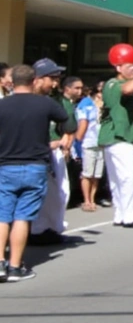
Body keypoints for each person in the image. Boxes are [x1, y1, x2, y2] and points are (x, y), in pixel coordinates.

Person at [0, 64, 74, 281]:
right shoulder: (45, 103)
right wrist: (62, 139)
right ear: (34, 81)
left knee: (2, 216)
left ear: (12, 82)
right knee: (23, 216)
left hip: (5, 165)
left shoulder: (2, 105)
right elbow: (68, 122)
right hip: (35, 164)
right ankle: (15, 266)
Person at [99, 44, 133, 229]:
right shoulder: (113, 83)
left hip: (122, 137)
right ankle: (132, 216)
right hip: (117, 136)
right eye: (129, 66)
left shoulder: (125, 84)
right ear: (118, 67)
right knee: (129, 177)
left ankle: (121, 214)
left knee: (119, 178)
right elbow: (128, 90)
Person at [29, 64, 78, 245]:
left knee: (59, 191)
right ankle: (36, 230)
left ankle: (51, 228)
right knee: (37, 193)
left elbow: (69, 126)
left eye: (57, 79)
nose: (55, 83)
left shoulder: (57, 100)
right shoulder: (26, 98)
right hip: (32, 153)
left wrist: (66, 140)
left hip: (53, 151)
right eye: (52, 78)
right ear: (38, 78)